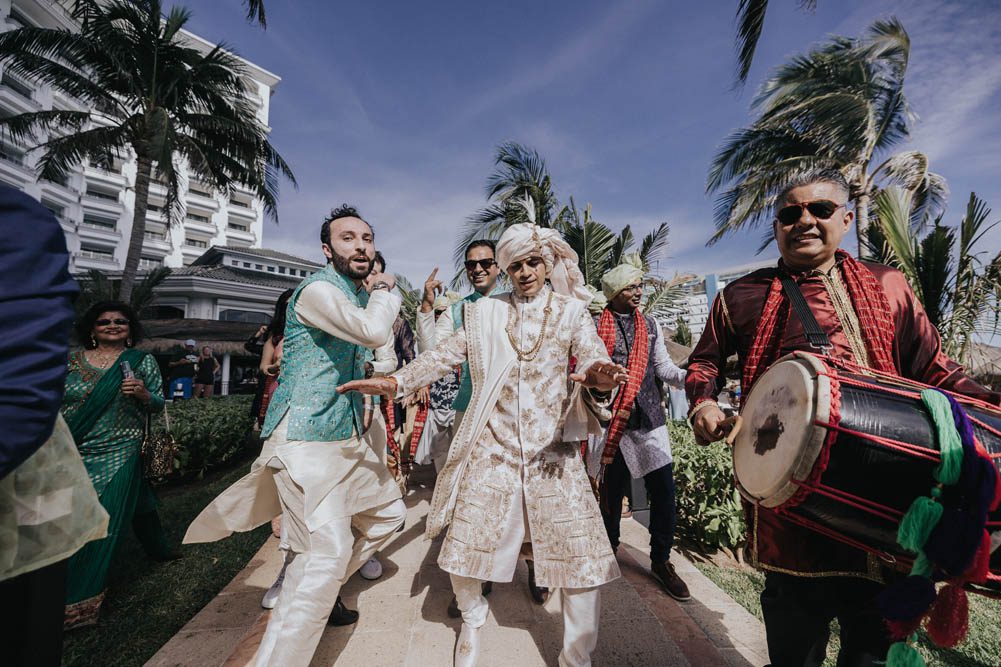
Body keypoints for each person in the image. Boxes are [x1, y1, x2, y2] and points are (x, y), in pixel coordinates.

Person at [685, 167, 1001, 667]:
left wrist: (991, 410)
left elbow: (936, 371)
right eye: (790, 213)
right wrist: (702, 401)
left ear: (847, 218)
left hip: (884, 506)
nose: (804, 220)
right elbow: (703, 360)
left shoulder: (889, 285)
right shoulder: (740, 296)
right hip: (788, 513)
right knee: (794, 654)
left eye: (820, 209)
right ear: (777, 227)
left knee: (870, 656)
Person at [341, 220, 629, 667]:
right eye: (516, 265)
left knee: (582, 563)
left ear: (548, 262)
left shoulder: (573, 312)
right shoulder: (485, 313)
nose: (526, 272)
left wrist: (598, 378)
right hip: (492, 448)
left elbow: (593, 356)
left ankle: (578, 657)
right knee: (463, 551)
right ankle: (472, 621)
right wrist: (395, 381)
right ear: (505, 269)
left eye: (534, 262)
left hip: (552, 454)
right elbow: (442, 355)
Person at [184, 205, 407, 667]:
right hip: (304, 440)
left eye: (366, 237)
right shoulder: (318, 290)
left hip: (343, 438)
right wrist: (387, 291)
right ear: (327, 249)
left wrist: (377, 364)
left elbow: (380, 355)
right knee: (326, 557)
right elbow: (373, 331)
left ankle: (308, 592)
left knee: (388, 517)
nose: (361, 245)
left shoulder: (352, 297)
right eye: (348, 238)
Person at [0, 186, 107, 667]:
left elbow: (20, 397)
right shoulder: (78, 360)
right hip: (82, 444)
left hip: (22, 488)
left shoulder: (12, 221)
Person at [62, 301, 176, 628]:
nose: (112, 325)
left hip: (121, 448)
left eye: (120, 321)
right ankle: (158, 547)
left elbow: (157, 403)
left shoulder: (141, 362)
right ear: (92, 329)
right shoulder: (69, 362)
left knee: (102, 520)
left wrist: (142, 394)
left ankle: (79, 601)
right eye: (104, 322)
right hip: (73, 448)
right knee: (70, 518)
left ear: (130, 329)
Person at [590, 254, 690, 601]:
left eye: (640, 285)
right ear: (614, 292)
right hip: (610, 421)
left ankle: (661, 561)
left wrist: (689, 378)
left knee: (664, 494)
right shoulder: (594, 325)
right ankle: (608, 550)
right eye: (631, 286)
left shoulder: (651, 325)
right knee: (611, 494)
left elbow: (662, 367)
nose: (638, 291)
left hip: (648, 419)